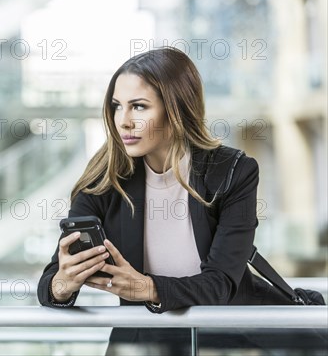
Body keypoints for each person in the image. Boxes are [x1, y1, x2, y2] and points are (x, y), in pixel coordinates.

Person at [37, 47, 304, 354]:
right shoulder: (103, 180)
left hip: (230, 339)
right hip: (147, 343)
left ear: (176, 109)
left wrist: (145, 288)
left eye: (138, 107)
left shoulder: (233, 172)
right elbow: (49, 286)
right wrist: (64, 283)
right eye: (116, 106)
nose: (123, 121)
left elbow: (220, 284)